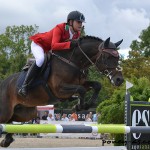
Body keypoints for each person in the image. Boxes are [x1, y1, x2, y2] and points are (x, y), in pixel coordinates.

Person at [18, 10, 85, 97]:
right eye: (78, 22)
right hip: (39, 44)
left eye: (81, 22)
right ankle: (24, 86)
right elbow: (54, 45)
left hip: (50, 50)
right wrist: (70, 44)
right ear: (71, 22)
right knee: (40, 60)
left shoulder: (77, 34)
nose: (81, 24)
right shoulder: (60, 28)